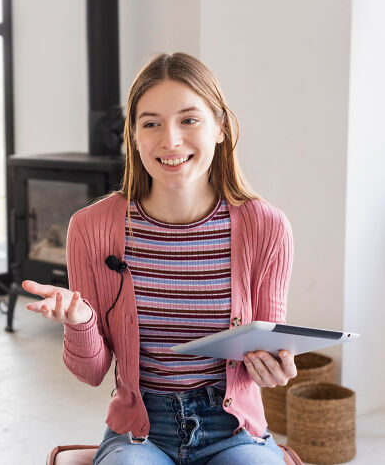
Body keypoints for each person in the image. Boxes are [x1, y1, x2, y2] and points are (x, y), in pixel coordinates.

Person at [22, 53, 296, 464]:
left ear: (220, 127)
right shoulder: (91, 228)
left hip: (235, 429)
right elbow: (92, 372)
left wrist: (272, 367)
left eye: (189, 120)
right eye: (151, 123)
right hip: (140, 432)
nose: (170, 140)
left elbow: (266, 349)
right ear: (133, 136)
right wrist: (81, 324)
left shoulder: (266, 227)